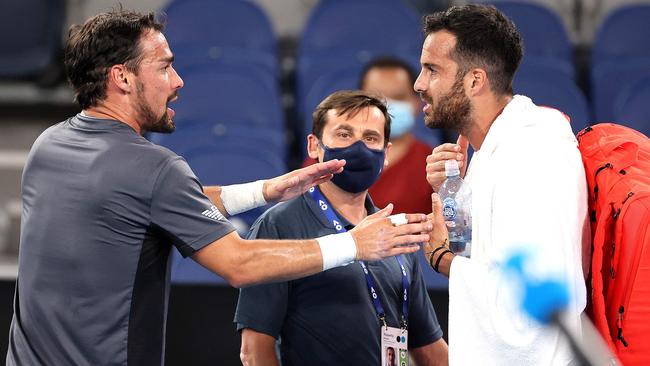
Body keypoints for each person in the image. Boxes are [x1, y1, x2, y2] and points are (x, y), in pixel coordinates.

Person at [6, 10, 433, 366]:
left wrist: (264, 191)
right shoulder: (154, 167)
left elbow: (151, 202)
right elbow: (239, 264)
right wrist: (353, 245)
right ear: (122, 77)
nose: (178, 81)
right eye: (164, 66)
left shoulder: (50, 145)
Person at [418, 5, 589, 365]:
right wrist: (454, 194)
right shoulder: (496, 148)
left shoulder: (531, 153)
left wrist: (443, 260)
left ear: (475, 81)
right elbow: (486, 253)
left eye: (432, 70)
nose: (419, 84)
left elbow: (528, 310)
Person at [235, 90, 448, 366]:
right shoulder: (278, 225)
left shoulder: (395, 232)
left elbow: (431, 352)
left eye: (371, 138)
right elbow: (254, 352)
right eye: (344, 135)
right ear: (314, 146)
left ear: (386, 154)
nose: (358, 148)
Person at [359, 57, 436, 215]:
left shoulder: (434, 164)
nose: (386, 106)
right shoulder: (330, 157)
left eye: (399, 97)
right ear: (358, 101)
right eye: (376, 98)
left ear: (417, 103)